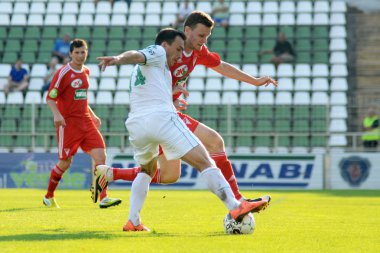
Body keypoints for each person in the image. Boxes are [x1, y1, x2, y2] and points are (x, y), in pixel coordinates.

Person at [94, 28, 271, 231]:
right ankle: (235, 205)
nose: (179, 55)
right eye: (177, 49)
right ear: (165, 45)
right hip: (161, 119)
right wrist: (117, 58)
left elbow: (149, 87)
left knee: (147, 170)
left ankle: (133, 221)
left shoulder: (145, 71)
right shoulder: (158, 52)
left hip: (136, 124)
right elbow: (136, 54)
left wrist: (171, 92)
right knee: (205, 160)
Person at [43, 39, 121, 209]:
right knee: (65, 163)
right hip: (68, 124)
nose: (80, 55)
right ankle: (49, 196)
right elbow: (50, 98)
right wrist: (57, 115)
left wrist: (93, 115)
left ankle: (103, 197)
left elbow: (82, 98)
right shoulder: (63, 73)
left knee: (101, 156)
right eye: (77, 52)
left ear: (87, 52)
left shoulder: (86, 71)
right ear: (70, 54)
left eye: (83, 52)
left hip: (85, 122)